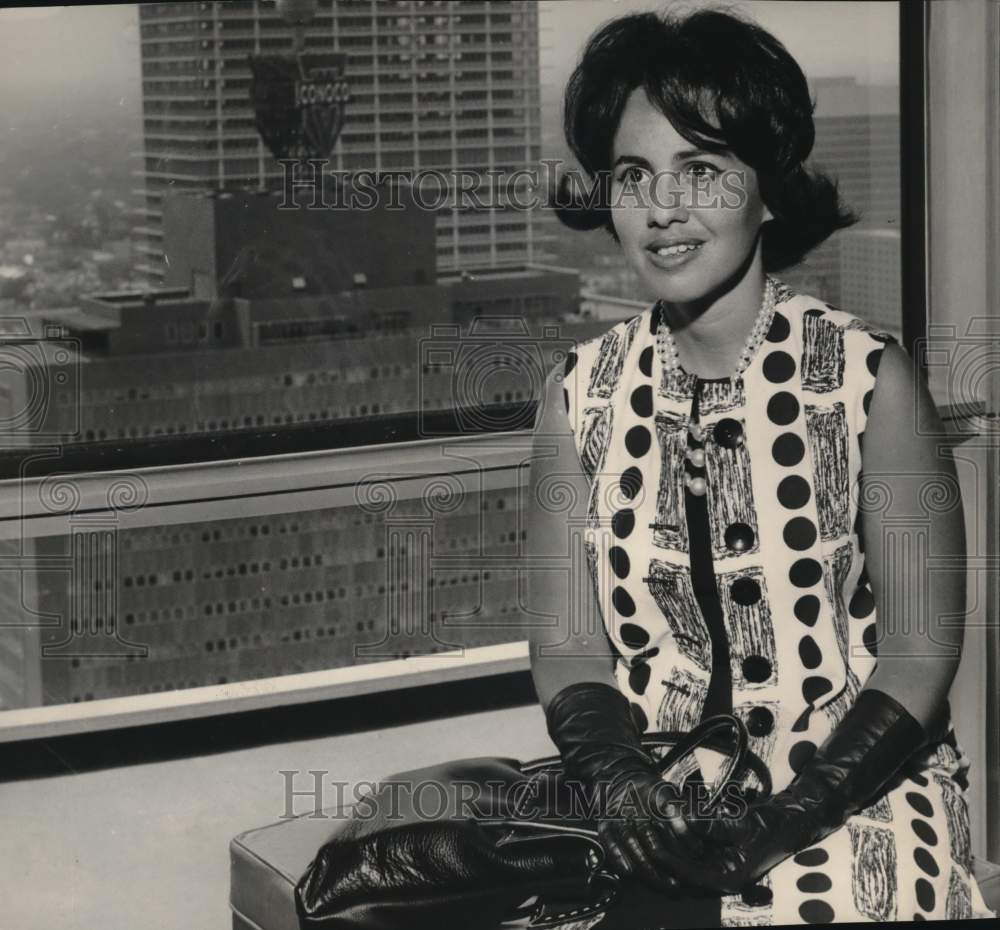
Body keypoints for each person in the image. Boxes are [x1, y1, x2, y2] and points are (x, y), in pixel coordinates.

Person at [526, 7, 997, 926]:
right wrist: (621, 787)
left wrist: (786, 819)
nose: (662, 208)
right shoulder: (576, 394)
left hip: (853, 793)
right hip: (655, 800)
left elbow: (919, 651)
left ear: (769, 192)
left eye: (700, 170)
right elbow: (567, 641)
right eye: (634, 174)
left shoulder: (869, 379)